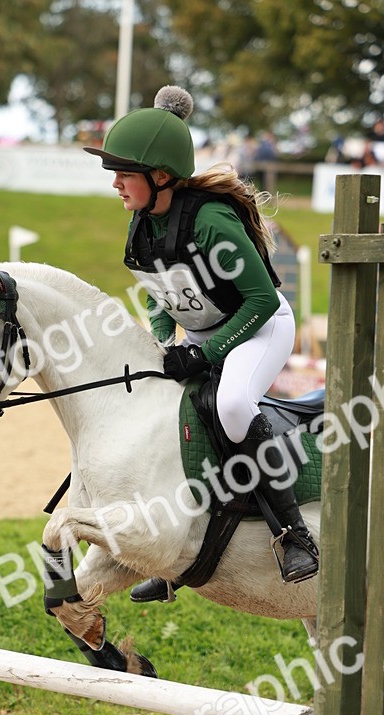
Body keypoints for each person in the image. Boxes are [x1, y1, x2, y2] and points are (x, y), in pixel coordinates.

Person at [84, 85, 319, 597]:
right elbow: (157, 292)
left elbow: (259, 302)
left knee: (232, 405)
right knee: (167, 411)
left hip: (260, 328)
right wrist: (164, 340)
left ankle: (293, 534)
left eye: (124, 173)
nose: (117, 184)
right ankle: (178, 552)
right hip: (205, 330)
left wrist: (205, 352)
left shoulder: (211, 222)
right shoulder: (142, 225)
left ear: (160, 175)